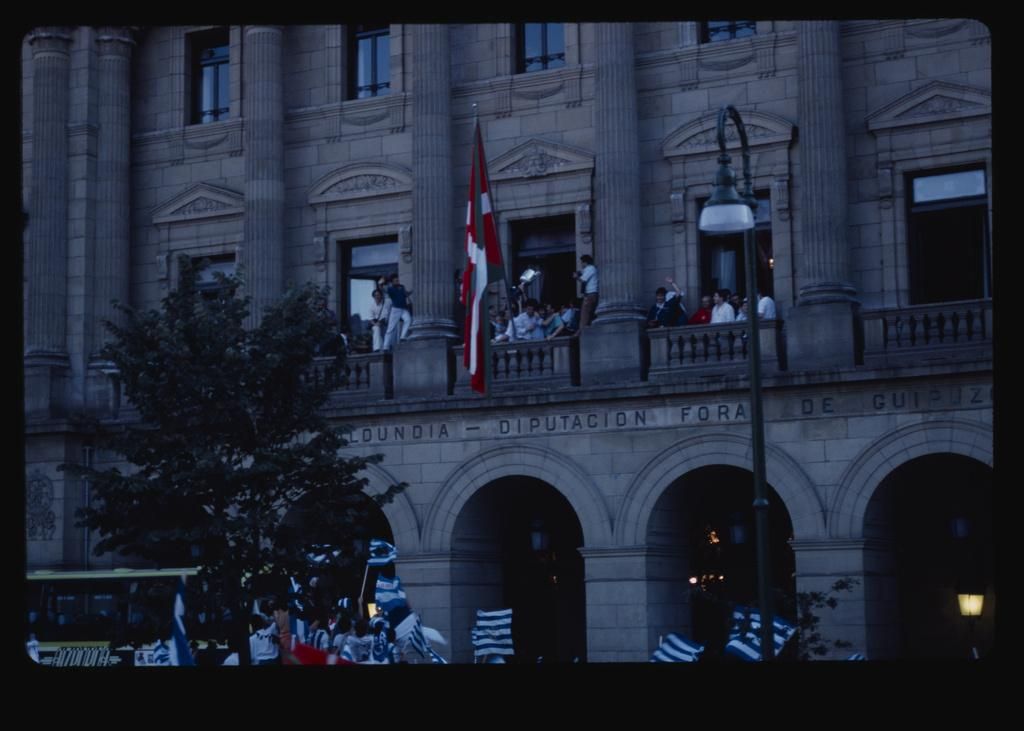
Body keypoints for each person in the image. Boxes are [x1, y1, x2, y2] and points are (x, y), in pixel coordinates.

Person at [383, 273, 413, 350]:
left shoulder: (402, 287)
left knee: (408, 320)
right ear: (392, 282)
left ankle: (403, 337)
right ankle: (385, 346)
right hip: (395, 309)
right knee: (391, 327)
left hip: (403, 308)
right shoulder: (390, 288)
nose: (397, 281)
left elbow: (406, 294)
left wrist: (412, 291)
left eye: (398, 280)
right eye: (396, 280)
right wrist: (382, 283)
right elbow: (384, 289)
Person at [572, 255, 599, 328]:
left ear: (585, 262)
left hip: (590, 294)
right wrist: (578, 273)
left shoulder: (590, 268)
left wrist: (576, 277)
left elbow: (583, 280)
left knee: (584, 314)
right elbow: (581, 272)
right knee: (589, 313)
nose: (581, 264)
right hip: (591, 294)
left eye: (582, 262)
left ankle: (581, 331)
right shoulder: (589, 269)